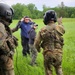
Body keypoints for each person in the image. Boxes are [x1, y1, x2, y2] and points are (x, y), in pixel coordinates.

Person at [34, 10, 65, 75]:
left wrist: (38, 49)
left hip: (48, 53)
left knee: (48, 70)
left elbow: (36, 42)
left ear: (45, 18)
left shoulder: (42, 30)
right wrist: (60, 23)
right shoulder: (59, 27)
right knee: (59, 68)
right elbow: (63, 30)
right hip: (58, 53)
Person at [0, 3, 18, 75]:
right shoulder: (0, 25)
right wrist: (9, 52)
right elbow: (1, 43)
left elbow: (5, 34)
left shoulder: (2, 25)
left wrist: (16, 28)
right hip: (4, 59)